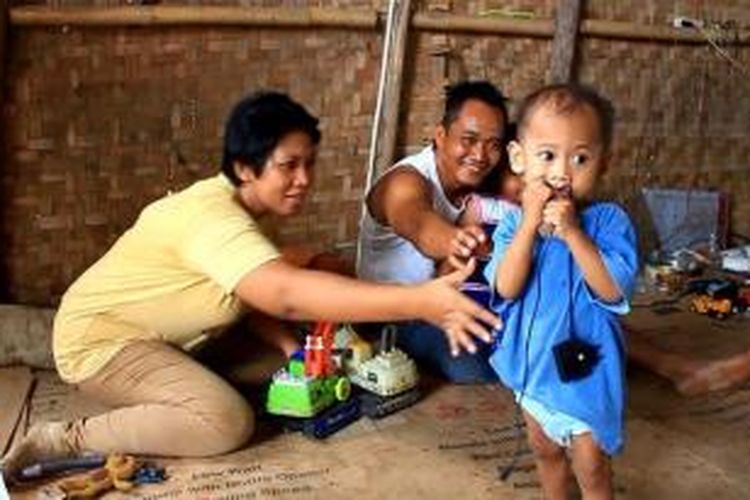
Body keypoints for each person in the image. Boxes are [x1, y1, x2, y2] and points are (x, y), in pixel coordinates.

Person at [0, 91, 500, 482]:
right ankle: (63, 438)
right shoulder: (212, 218)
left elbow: (249, 297)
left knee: (302, 377)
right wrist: (421, 300)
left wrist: (293, 348)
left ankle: (178, 393)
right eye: (289, 166)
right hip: (102, 342)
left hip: (172, 340)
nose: (304, 179)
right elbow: (281, 292)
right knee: (227, 421)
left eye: (309, 163)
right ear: (244, 168)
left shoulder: (246, 214)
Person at [484, 84, 638, 500]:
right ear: (519, 159)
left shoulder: (608, 222)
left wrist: (573, 234)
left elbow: (611, 289)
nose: (562, 172)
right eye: (547, 155)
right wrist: (531, 224)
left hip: (586, 373)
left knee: (591, 465)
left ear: (603, 164)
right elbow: (507, 286)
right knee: (544, 449)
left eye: (581, 158)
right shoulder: (514, 225)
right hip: (533, 370)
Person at [358, 80, 508, 382]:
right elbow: (419, 224)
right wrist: (459, 240)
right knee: (475, 364)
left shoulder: (477, 189)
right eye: (469, 139)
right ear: (440, 136)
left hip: (447, 296)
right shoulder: (405, 181)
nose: (480, 155)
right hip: (398, 315)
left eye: (493, 144)